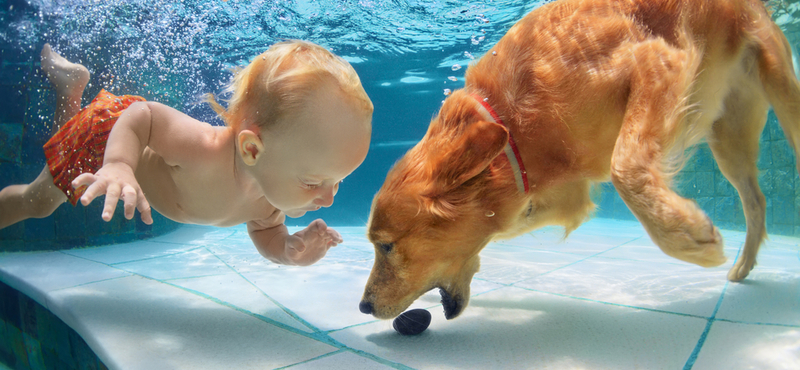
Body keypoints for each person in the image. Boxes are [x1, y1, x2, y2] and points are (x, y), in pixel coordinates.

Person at [0, 41, 373, 266]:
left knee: (63, 163)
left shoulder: (270, 200)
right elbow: (142, 115)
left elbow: (268, 236)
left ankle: (70, 88)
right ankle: (71, 90)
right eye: (313, 182)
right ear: (252, 149)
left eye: (337, 182)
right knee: (38, 201)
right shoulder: (204, 149)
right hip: (112, 136)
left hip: (120, 160)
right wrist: (118, 164)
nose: (327, 198)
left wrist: (290, 251)